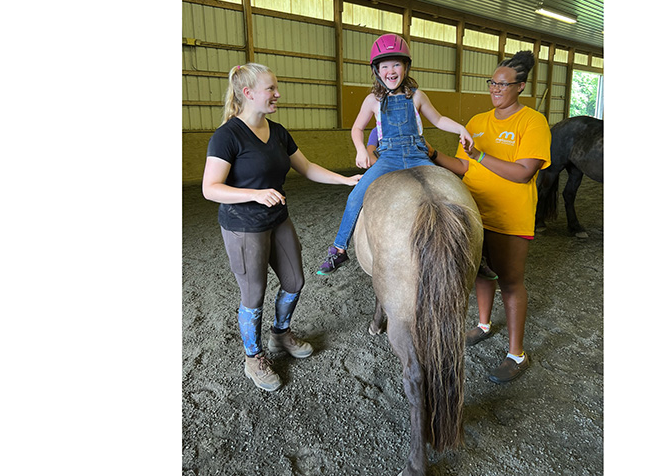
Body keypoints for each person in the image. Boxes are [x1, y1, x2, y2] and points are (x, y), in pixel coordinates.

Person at [202, 62, 361, 392]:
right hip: (244, 226)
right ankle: (253, 357)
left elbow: (307, 167)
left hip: (277, 220)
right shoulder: (227, 136)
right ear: (248, 94)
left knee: (294, 281)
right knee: (253, 294)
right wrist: (256, 195)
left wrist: (345, 180)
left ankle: (280, 334)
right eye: (271, 88)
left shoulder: (278, 132)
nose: (278, 93)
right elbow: (210, 188)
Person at [427, 50, 551, 384]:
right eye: (492, 83)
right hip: (475, 212)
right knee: (482, 273)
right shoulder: (477, 122)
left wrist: (481, 154)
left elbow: (524, 172)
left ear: (520, 87)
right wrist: (433, 154)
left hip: (511, 217)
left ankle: (517, 354)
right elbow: (464, 166)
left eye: (502, 84)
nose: (495, 89)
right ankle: (483, 324)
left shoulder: (532, 122)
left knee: (510, 282)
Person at [315, 33, 473, 275]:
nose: (391, 70)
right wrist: (360, 149)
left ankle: (474, 250)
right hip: (388, 157)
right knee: (356, 196)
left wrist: (460, 128)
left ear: (406, 67)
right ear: (377, 71)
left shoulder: (417, 96)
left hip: (417, 154)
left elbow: (438, 119)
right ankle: (339, 249)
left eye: (396, 64)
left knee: (456, 191)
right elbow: (357, 128)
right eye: (385, 65)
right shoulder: (372, 100)